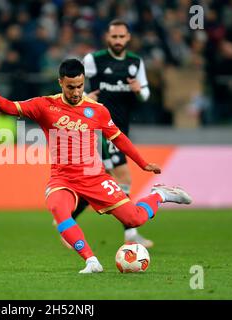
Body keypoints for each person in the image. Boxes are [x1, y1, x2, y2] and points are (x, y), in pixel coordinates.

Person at [0, 59, 192, 274]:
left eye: (80, 86)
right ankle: (91, 261)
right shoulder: (45, 105)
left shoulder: (96, 110)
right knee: (58, 209)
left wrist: (143, 164)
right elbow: (10, 107)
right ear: (60, 82)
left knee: (134, 218)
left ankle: (160, 195)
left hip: (94, 177)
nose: (77, 92)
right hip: (63, 178)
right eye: (71, 87)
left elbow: (119, 139)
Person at [79, 19, 153, 247]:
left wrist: (139, 92)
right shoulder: (94, 60)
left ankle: (65, 220)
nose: (118, 41)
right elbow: (74, 84)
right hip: (99, 127)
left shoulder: (135, 62)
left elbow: (146, 93)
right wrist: (84, 98)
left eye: (122, 37)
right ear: (107, 38)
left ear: (128, 37)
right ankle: (131, 234)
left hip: (120, 128)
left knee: (104, 180)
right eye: (114, 37)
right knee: (123, 177)